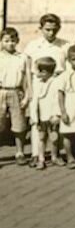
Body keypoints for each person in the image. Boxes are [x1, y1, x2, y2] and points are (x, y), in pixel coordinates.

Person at [0, 27, 30, 167]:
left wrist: (27, 96)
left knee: (19, 124)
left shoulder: (23, 58)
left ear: (17, 41)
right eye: (6, 41)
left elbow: (28, 79)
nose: (10, 43)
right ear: (1, 42)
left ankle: (20, 153)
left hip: (16, 91)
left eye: (13, 40)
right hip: (1, 92)